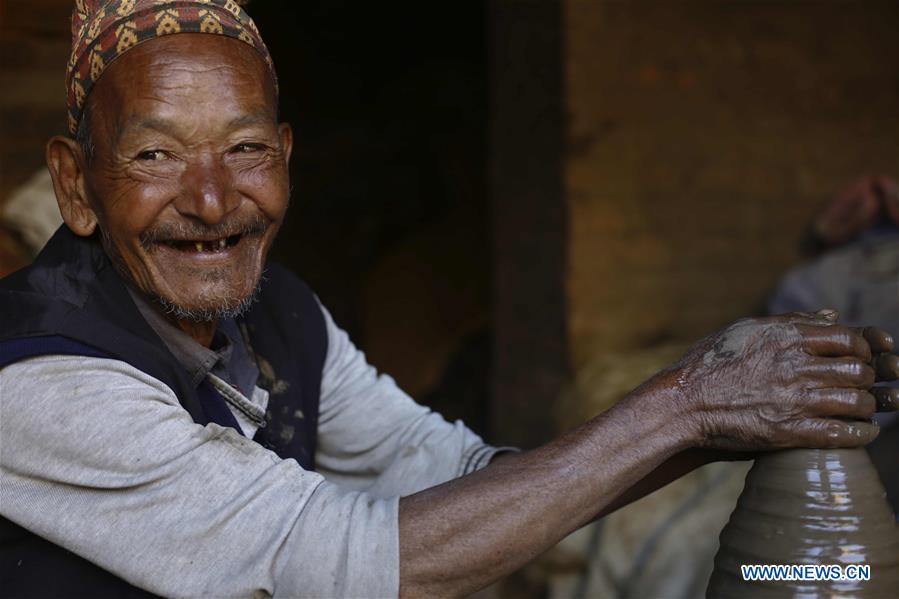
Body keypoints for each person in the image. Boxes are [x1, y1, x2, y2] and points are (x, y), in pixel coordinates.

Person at [0, 2, 896, 597]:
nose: (210, 199)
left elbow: (454, 474)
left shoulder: (280, 312)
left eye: (243, 149)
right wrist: (690, 405)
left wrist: (729, 414)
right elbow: (335, 555)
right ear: (76, 185)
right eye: (155, 156)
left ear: (283, 155)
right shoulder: (40, 381)